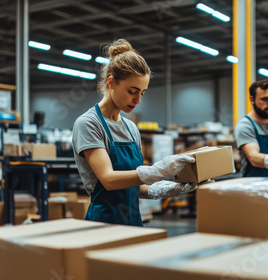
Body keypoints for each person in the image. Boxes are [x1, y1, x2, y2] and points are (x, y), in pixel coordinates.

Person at [72, 39, 197, 226]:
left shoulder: (131, 129)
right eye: (132, 91)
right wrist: (158, 170)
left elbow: (134, 187)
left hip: (133, 222)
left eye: (142, 93)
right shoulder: (89, 124)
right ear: (112, 82)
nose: (138, 99)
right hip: (103, 223)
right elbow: (109, 180)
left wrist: (169, 189)